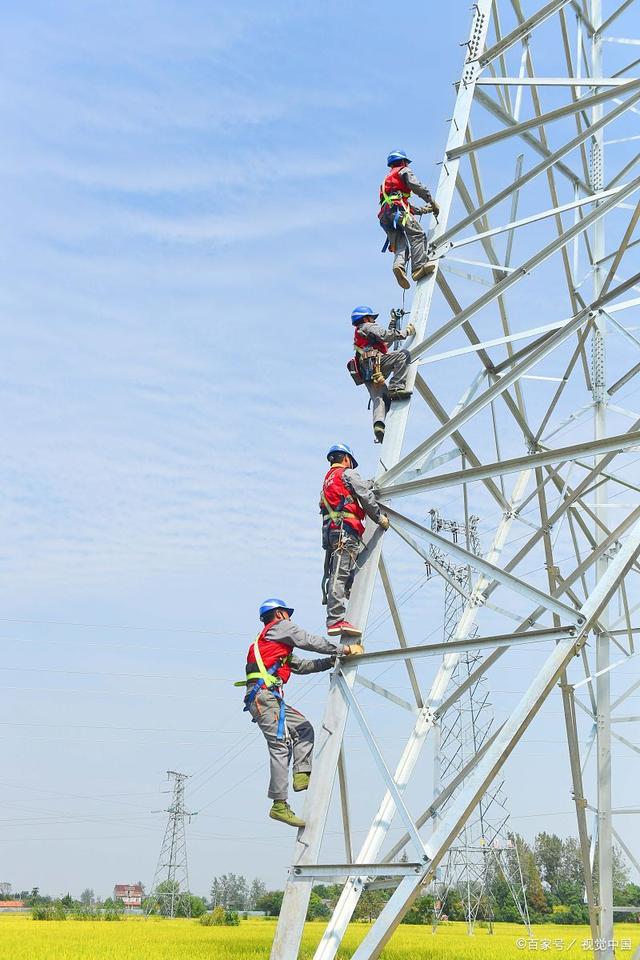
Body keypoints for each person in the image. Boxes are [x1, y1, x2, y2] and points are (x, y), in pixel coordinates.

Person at [239, 598, 363, 828]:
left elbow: (303, 666)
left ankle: (302, 774)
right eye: (287, 614)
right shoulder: (279, 628)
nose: (290, 619)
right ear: (278, 614)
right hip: (264, 697)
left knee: (304, 729)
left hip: (269, 698)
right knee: (280, 746)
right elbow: (309, 641)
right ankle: (279, 804)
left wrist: (333, 659)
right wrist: (343, 649)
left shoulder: (273, 645)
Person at [320, 444, 389, 637]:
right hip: (346, 531)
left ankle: (346, 592)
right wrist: (378, 517)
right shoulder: (347, 474)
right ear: (346, 459)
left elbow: (356, 488)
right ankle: (335, 620)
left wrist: (371, 483)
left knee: (339, 570)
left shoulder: (328, 480)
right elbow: (364, 495)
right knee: (340, 574)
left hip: (333, 532)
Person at [349, 305, 415, 443]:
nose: (373, 320)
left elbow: (385, 343)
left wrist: (393, 321)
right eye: (372, 317)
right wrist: (406, 332)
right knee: (403, 356)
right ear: (365, 317)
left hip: (367, 371)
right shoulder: (367, 326)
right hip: (375, 365)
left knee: (380, 398)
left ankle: (379, 424)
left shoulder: (362, 333)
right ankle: (396, 387)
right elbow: (385, 334)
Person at [378, 149, 440, 290]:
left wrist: (424, 210)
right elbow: (417, 187)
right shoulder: (404, 171)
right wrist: (431, 200)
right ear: (403, 161)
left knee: (401, 244)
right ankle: (418, 267)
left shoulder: (386, 181)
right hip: (398, 211)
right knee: (417, 234)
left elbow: (400, 204)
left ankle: (398, 265)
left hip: (386, 216)